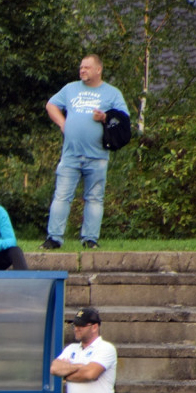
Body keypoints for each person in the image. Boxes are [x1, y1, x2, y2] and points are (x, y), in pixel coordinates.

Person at [41, 54, 129, 250]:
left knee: (95, 198)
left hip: (97, 156)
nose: (82, 70)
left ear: (98, 70)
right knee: (62, 196)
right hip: (70, 154)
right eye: (81, 67)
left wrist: (105, 117)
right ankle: (54, 238)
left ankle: (90, 239)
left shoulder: (112, 93)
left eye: (87, 67)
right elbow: (51, 105)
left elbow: (124, 119)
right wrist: (63, 124)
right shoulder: (70, 89)